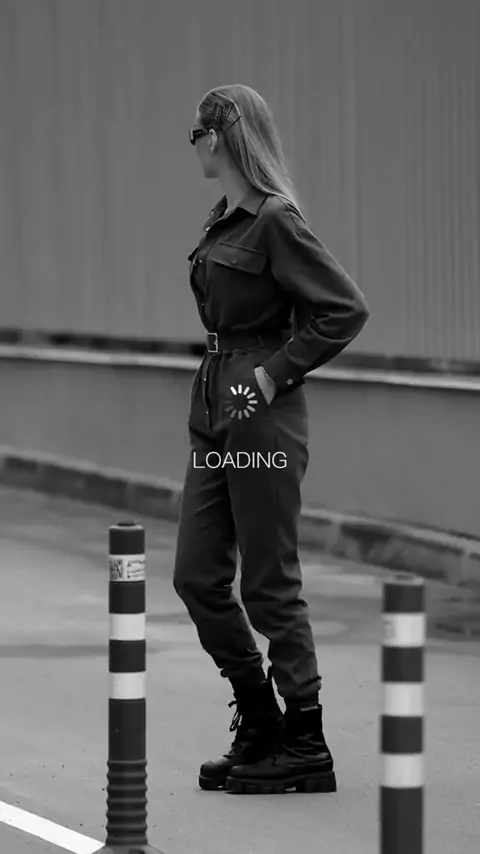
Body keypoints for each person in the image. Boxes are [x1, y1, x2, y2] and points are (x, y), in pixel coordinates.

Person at [173, 83, 370, 795]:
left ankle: (306, 739)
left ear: (218, 136)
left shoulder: (275, 220)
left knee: (267, 581)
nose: (193, 147)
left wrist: (273, 374)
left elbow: (344, 309)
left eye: (194, 134)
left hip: (261, 414)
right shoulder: (224, 219)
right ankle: (259, 718)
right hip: (215, 409)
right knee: (196, 576)